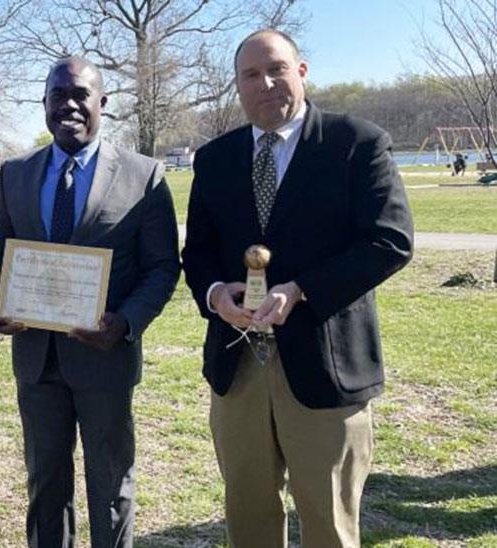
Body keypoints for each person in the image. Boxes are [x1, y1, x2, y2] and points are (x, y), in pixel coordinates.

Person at [181, 29, 414, 547]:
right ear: (237, 85)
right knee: (248, 516)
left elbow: (390, 241)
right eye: (250, 75)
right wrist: (217, 294)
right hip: (238, 371)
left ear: (301, 71)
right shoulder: (215, 159)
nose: (265, 83)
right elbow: (197, 252)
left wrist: (301, 289)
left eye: (277, 69)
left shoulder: (355, 143)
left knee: (328, 520)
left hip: (324, 367)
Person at [0, 57, 179, 547]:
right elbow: (1, 254)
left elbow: (162, 268)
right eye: (57, 96)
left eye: (80, 95)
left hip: (104, 358)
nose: (68, 105)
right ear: (44, 103)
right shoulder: (16, 175)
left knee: (111, 487)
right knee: (44, 487)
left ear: (102, 104)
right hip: (36, 361)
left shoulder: (144, 175)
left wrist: (127, 322)